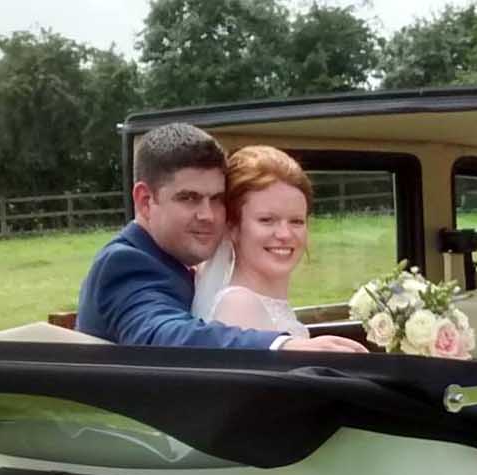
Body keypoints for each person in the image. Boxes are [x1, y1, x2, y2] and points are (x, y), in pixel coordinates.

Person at [75, 122, 365, 353]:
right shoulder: (126, 262)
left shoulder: (183, 263)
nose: (209, 215)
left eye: (216, 199)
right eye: (189, 198)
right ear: (145, 200)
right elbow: (162, 334)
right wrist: (283, 344)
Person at [192, 146, 315, 337]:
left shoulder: (263, 303)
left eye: (296, 221)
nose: (285, 234)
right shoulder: (239, 306)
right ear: (232, 228)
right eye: (266, 220)